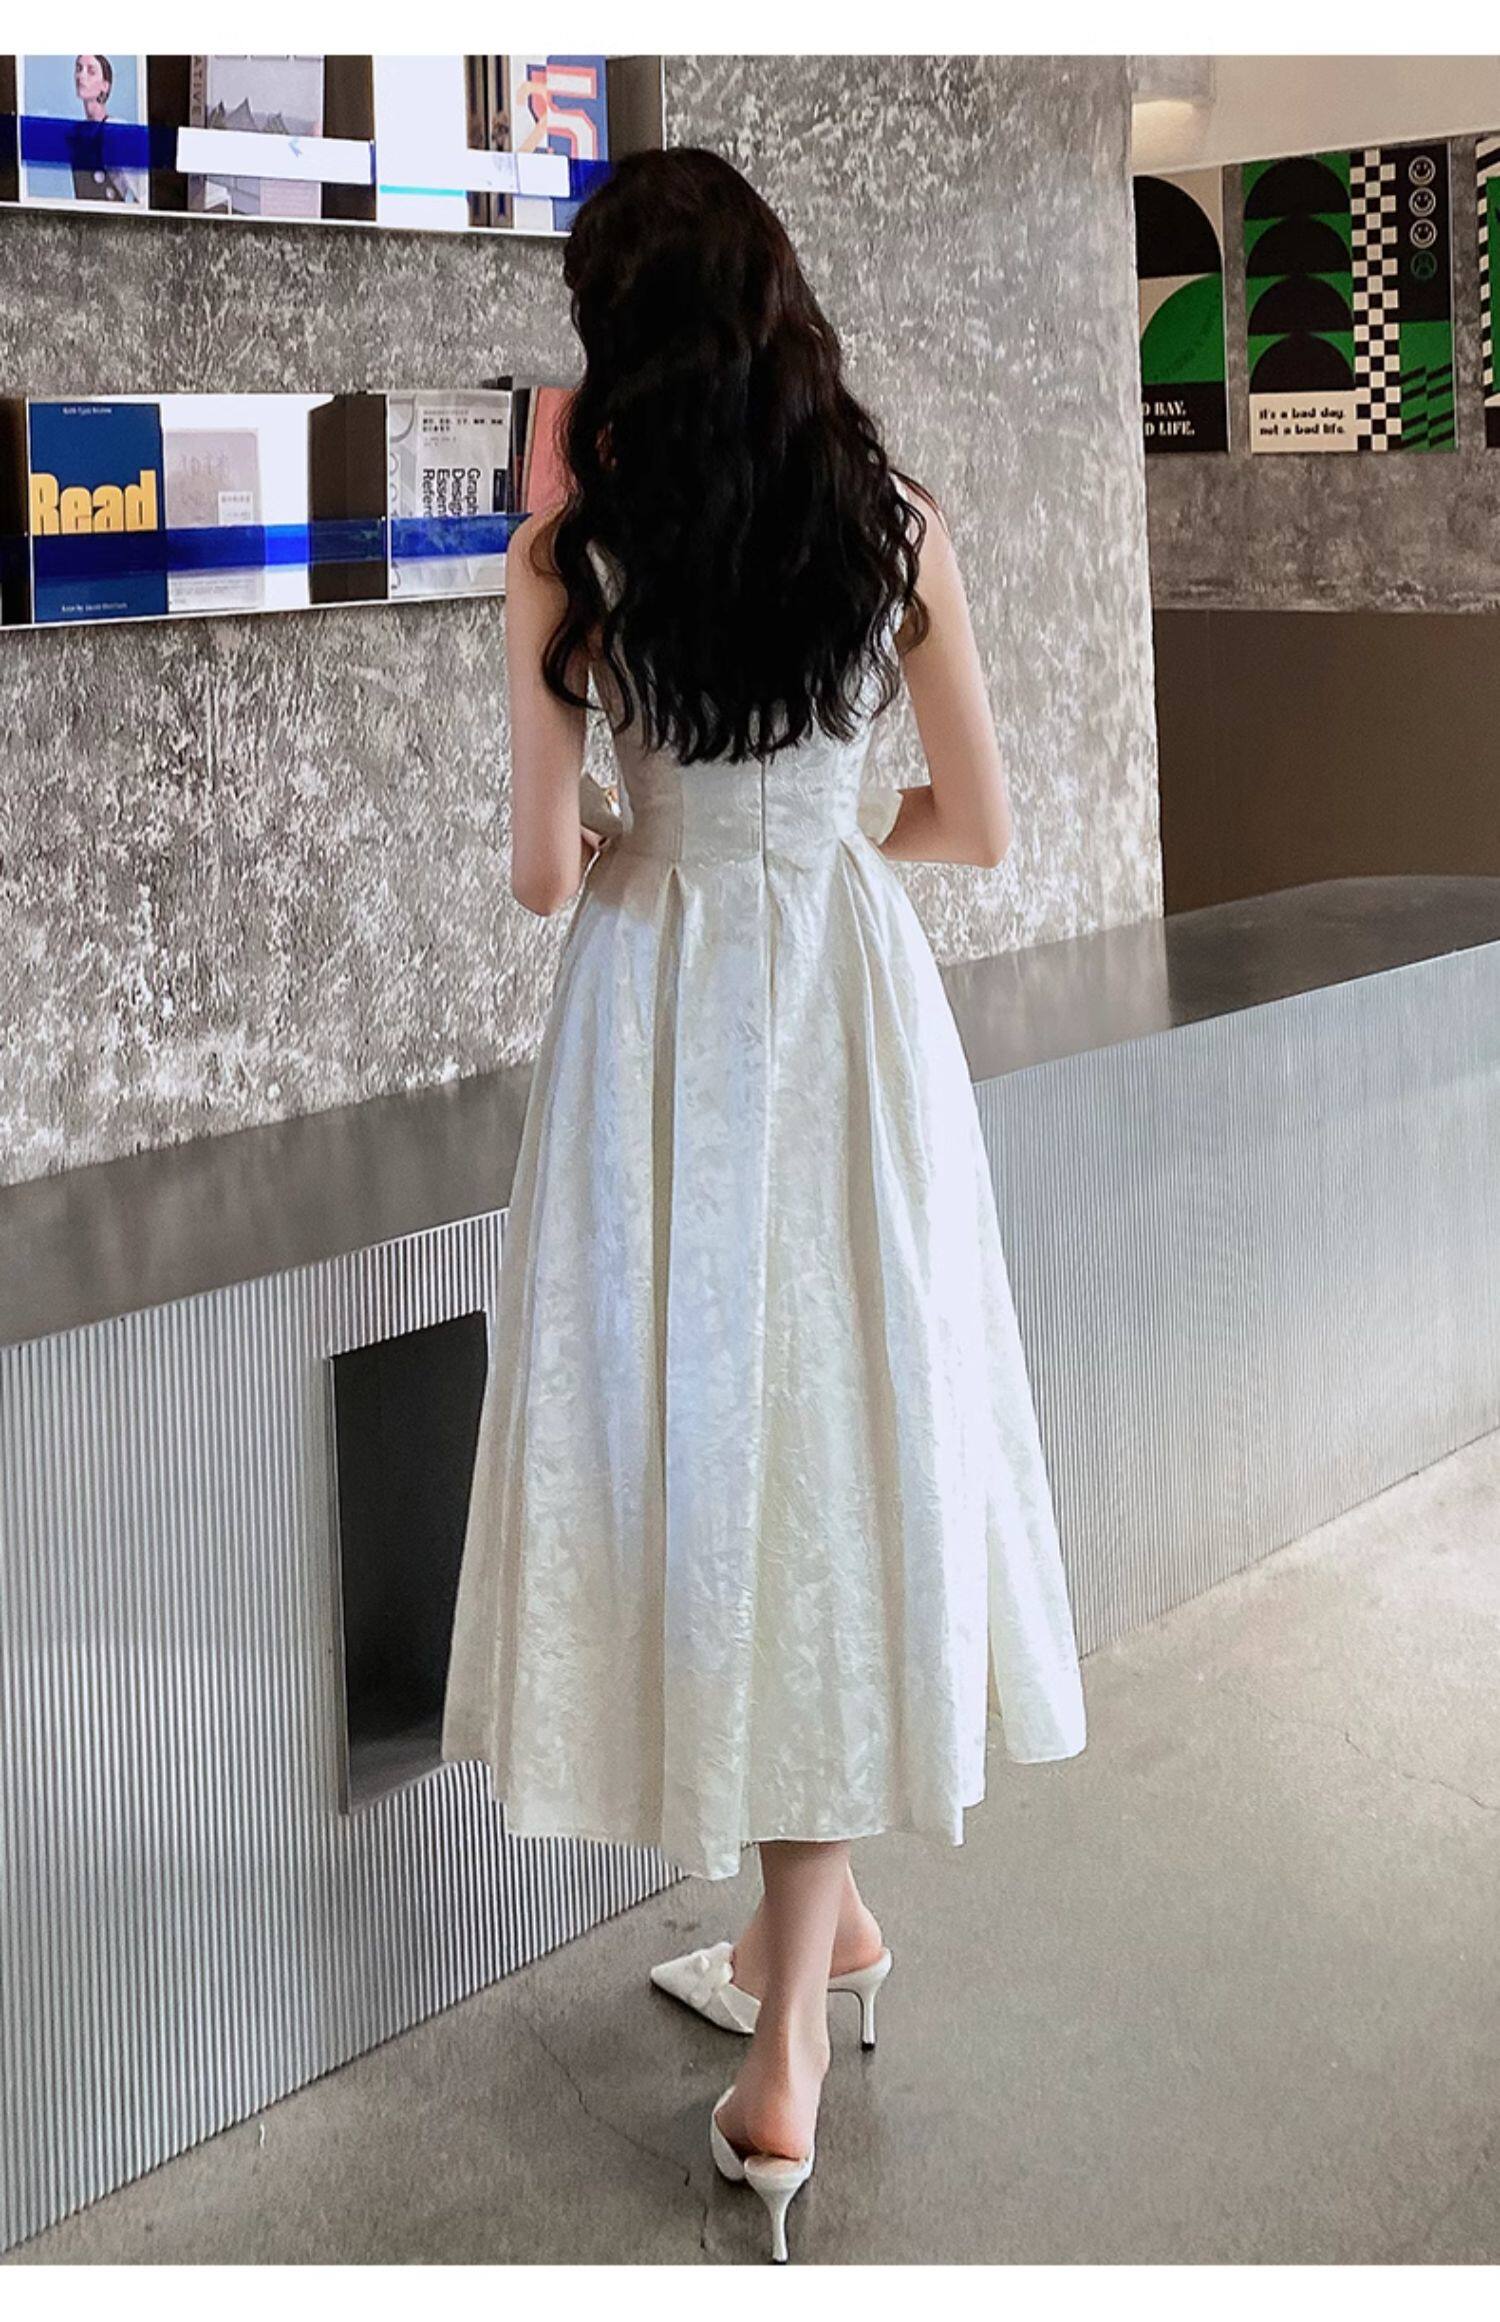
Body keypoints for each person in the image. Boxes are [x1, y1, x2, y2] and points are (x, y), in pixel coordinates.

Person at [441, 144, 1087, 2264]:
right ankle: (825, 1942)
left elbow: (547, 874)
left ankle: (781, 2059)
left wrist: (679, 844)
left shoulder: (571, 559)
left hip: (659, 1030)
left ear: (617, 341)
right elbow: (976, 824)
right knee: (838, 1461)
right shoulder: (890, 525)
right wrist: (818, 848)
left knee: (705, 1463)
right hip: (851, 1020)